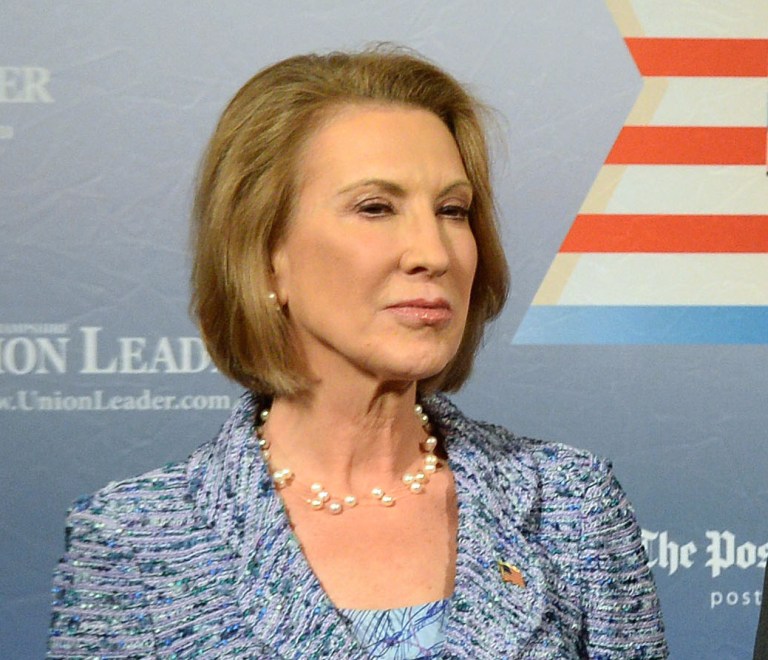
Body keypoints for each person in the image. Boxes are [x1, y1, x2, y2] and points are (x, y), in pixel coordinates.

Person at [48, 46, 668, 659]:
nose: (434, 251)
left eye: (453, 210)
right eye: (376, 208)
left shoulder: (569, 502)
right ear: (266, 254)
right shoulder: (134, 538)